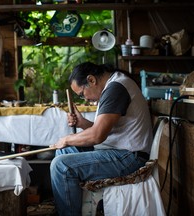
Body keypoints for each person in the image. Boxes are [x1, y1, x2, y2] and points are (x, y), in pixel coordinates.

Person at [49, 62, 153, 216]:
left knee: (61, 166)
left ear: (91, 80)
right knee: (63, 152)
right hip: (119, 150)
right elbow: (104, 130)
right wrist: (82, 123)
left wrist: (67, 139)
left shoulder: (116, 88)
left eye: (81, 94)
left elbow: (97, 135)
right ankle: (70, 208)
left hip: (131, 157)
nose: (84, 99)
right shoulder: (113, 85)